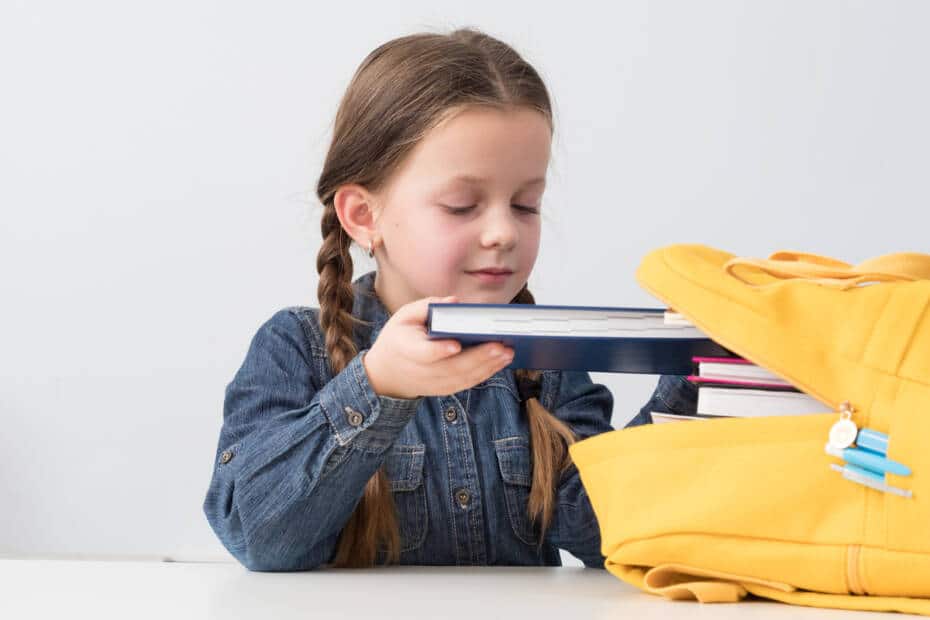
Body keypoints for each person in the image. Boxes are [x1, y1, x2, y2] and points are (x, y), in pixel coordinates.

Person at [203, 27, 694, 571]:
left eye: (526, 204)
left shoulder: (547, 365)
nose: (503, 232)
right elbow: (259, 537)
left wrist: (697, 380)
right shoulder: (296, 347)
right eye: (462, 205)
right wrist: (377, 387)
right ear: (365, 217)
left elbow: (608, 534)